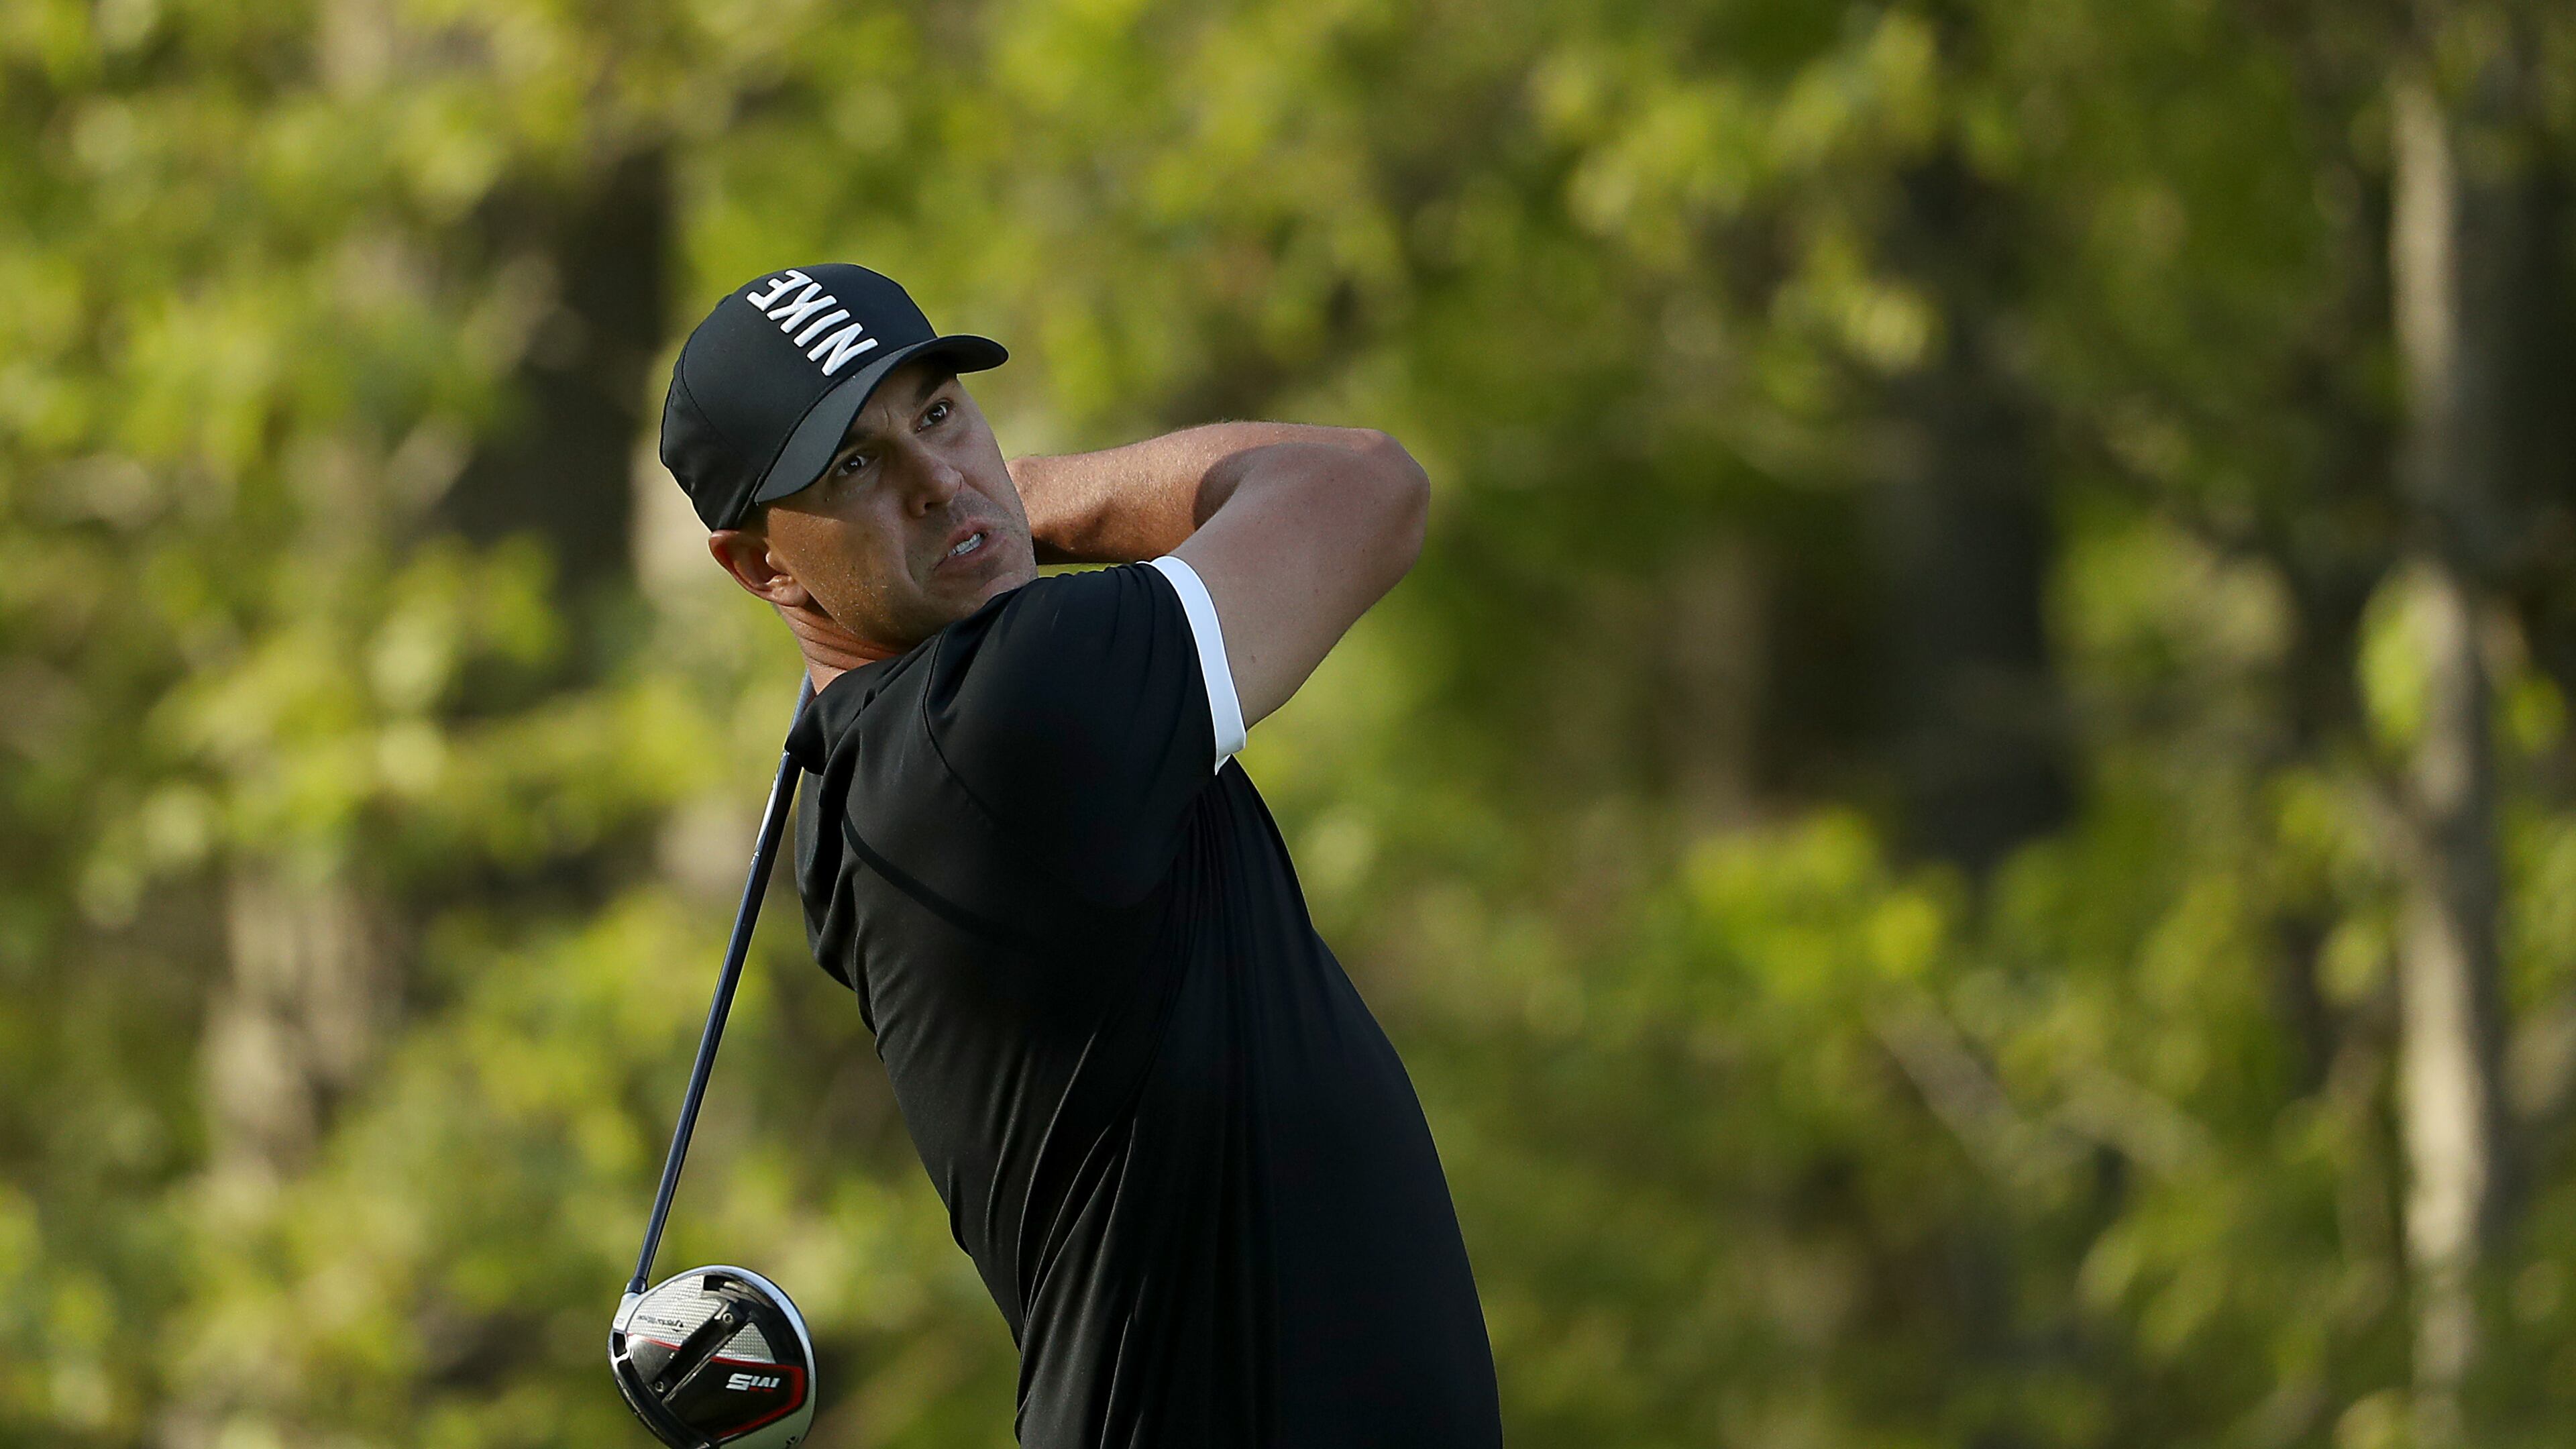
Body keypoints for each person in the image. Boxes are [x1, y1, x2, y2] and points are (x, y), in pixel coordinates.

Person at [658, 262, 1503, 1448]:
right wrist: (1029, 499)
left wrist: (974, 515)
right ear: (763, 566)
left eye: (940, 415)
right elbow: (1365, 487)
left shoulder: (901, 756)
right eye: (856, 466)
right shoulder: (1004, 712)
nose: (937, 480)